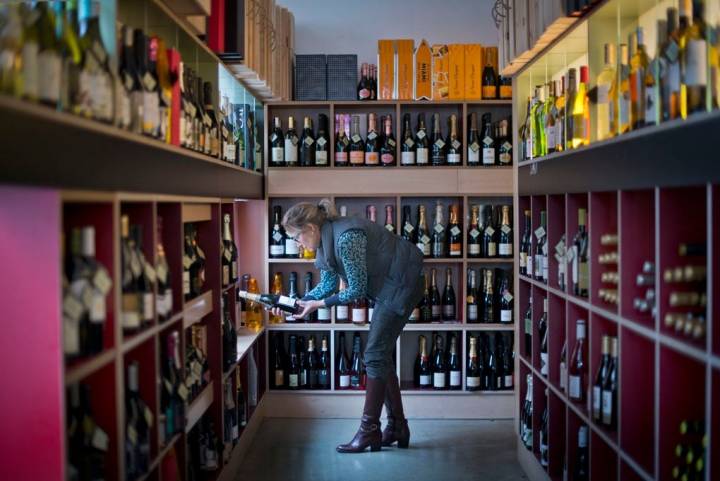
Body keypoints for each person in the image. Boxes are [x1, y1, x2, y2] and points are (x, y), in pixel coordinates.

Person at [271, 198, 424, 453]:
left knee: (374, 355)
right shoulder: (325, 239)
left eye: (297, 237)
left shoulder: (346, 238)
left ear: (310, 228)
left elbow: (356, 289)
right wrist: (296, 302)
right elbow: (328, 284)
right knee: (380, 356)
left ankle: (369, 432)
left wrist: (317, 305)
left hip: (402, 283)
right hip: (390, 284)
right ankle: (397, 427)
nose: (298, 245)